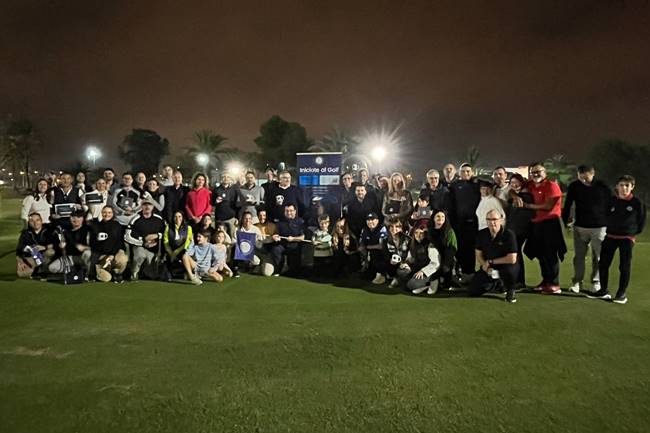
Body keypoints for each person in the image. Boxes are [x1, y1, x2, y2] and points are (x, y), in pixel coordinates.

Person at [588, 175, 646, 304]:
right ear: (617, 186)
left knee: (624, 266)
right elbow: (605, 215)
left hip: (626, 238)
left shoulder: (637, 203)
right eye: (621, 185)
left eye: (627, 185)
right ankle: (603, 291)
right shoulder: (612, 201)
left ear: (632, 187)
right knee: (603, 264)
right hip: (610, 236)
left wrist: (631, 233)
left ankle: (621, 294)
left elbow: (641, 223)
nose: (624, 188)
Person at [514, 162, 566, 294]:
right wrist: (514, 196)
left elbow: (548, 206)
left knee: (551, 254)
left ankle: (554, 284)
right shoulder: (530, 185)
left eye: (538, 171)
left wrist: (526, 206)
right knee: (540, 254)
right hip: (536, 224)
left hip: (551, 223)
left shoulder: (551, 185)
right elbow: (514, 187)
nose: (536, 174)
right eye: (533, 172)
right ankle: (546, 281)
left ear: (545, 172)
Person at [562, 165, 611, 294]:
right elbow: (568, 204)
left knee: (598, 257)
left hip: (599, 227)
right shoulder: (574, 186)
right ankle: (577, 282)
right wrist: (565, 221)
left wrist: (608, 221)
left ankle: (596, 282)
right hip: (580, 226)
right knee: (579, 257)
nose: (583, 181)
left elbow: (611, 203)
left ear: (593, 173)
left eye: (586, 178)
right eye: (581, 178)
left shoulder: (602, 186)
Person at [469, 209, 519, 303]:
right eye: (489, 219)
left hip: (506, 265)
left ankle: (510, 290)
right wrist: (485, 266)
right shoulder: (482, 234)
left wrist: (491, 262)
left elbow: (512, 258)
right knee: (473, 290)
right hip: (490, 267)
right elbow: (478, 253)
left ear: (501, 220)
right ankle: (497, 284)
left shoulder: (509, 234)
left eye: (495, 219)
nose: (492, 222)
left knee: (509, 272)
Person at [448, 163, 480, 280]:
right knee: (459, 248)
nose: (466, 173)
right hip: (458, 223)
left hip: (472, 223)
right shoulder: (455, 185)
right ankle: (459, 271)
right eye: (463, 171)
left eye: (468, 171)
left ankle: (470, 273)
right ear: (459, 173)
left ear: (472, 172)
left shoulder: (477, 184)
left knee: (471, 249)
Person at [124, 198, 166, 280]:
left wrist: (157, 235)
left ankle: (146, 272)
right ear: (141, 206)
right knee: (140, 255)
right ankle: (134, 272)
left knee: (152, 275)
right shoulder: (135, 219)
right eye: (145, 205)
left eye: (149, 205)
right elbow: (127, 237)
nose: (147, 207)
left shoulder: (159, 219)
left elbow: (166, 233)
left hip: (155, 249)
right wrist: (143, 243)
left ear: (153, 206)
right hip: (140, 247)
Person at [505, 173, 534, 288]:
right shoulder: (514, 195)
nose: (514, 185)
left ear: (522, 183)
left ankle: (519, 281)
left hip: (519, 231)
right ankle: (516, 280)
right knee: (515, 255)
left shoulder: (526, 196)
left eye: (517, 182)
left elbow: (525, 216)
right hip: (512, 230)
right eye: (512, 183)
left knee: (516, 255)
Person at [87, 205, 128, 283]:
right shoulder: (96, 226)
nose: (107, 214)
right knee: (106, 279)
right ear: (101, 213)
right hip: (102, 257)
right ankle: (101, 271)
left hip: (113, 254)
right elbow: (93, 244)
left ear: (112, 214)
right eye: (104, 212)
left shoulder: (117, 225)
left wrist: (112, 254)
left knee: (122, 258)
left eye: (109, 212)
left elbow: (119, 242)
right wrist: (100, 256)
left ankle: (117, 274)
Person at [48, 209, 91, 276]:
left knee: (87, 253)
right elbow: (58, 246)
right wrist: (61, 246)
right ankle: (76, 270)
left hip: (82, 257)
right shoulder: (65, 231)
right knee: (52, 268)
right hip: (70, 258)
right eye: (73, 217)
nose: (76, 219)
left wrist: (85, 247)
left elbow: (97, 247)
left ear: (82, 219)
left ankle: (89, 275)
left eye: (79, 217)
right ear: (70, 218)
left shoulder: (88, 230)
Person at [16, 213, 56, 278]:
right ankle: (38, 270)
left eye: (37, 220)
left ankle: (42, 269)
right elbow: (19, 249)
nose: (35, 223)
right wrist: (21, 262)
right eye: (32, 221)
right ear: (29, 223)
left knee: (51, 252)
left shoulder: (49, 231)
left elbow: (55, 244)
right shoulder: (25, 233)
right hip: (32, 257)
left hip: (45, 256)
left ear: (41, 221)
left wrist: (44, 247)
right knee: (21, 273)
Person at [271, 204, 305, 276]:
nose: (289, 213)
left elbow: (302, 237)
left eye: (291, 211)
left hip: (294, 245)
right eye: (287, 211)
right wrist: (275, 237)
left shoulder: (300, 221)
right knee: (276, 250)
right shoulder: (280, 221)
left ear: (295, 211)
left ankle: (290, 269)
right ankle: (278, 269)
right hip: (282, 244)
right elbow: (275, 234)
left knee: (293, 271)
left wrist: (293, 239)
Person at [406, 226, 442, 295]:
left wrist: (423, 271)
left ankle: (432, 283)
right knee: (401, 272)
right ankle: (423, 285)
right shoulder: (413, 244)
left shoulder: (430, 245)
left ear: (425, 234)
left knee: (411, 285)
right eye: (416, 233)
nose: (418, 235)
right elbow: (411, 258)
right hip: (418, 269)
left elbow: (436, 263)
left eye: (421, 233)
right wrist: (406, 263)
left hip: (430, 273)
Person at [429, 210, 457, 290]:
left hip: (446, 258)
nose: (440, 218)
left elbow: (452, 248)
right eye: (438, 216)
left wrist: (445, 264)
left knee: (446, 268)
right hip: (433, 258)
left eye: (442, 216)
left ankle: (444, 280)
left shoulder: (449, 232)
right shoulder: (430, 231)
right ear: (433, 218)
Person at [381, 218, 412, 288]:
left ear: (401, 228)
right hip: (393, 265)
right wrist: (390, 261)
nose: (394, 229)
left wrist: (406, 263)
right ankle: (394, 277)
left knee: (404, 272)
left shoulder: (408, 239)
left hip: (406, 264)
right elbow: (385, 256)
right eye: (391, 226)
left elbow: (412, 254)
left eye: (397, 226)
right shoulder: (385, 240)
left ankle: (399, 279)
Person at [163, 211, 194, 281]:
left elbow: (188, 241)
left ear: (182, 218)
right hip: (171, 250)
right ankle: (169, 274)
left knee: (184, 255)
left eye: (179, 216)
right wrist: (171, 253)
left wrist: (177, 251)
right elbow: (166, 241)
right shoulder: (168, 227)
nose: (177, 218)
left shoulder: (188, 228)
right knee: (168, 258)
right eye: (175, 216)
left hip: (183, 249)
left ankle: (190, 274)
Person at [359, 212, 388, 284]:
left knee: (377, 254)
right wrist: (365, 259)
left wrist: (368, 247)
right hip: (370, 255)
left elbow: (381, 246)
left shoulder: (382, 228)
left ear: (377, 220)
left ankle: (383, 274)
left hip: (382, 256)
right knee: (365, 276)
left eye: (372, 220)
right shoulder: (365, 230)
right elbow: (361, 245)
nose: (370, 222)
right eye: (368, 220)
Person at [213, 173, 240, 239]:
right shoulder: (216, 190)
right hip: (220, 219)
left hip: (231, 219)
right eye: (224, 177)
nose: (226, 178)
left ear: (230, 179)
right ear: (221, 179)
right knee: (219, 239)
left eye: (228, 177)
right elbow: (211, 203)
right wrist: (215, 201)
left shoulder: (234, 190)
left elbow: (237, 205)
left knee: (232, 239)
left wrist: (237, 217)